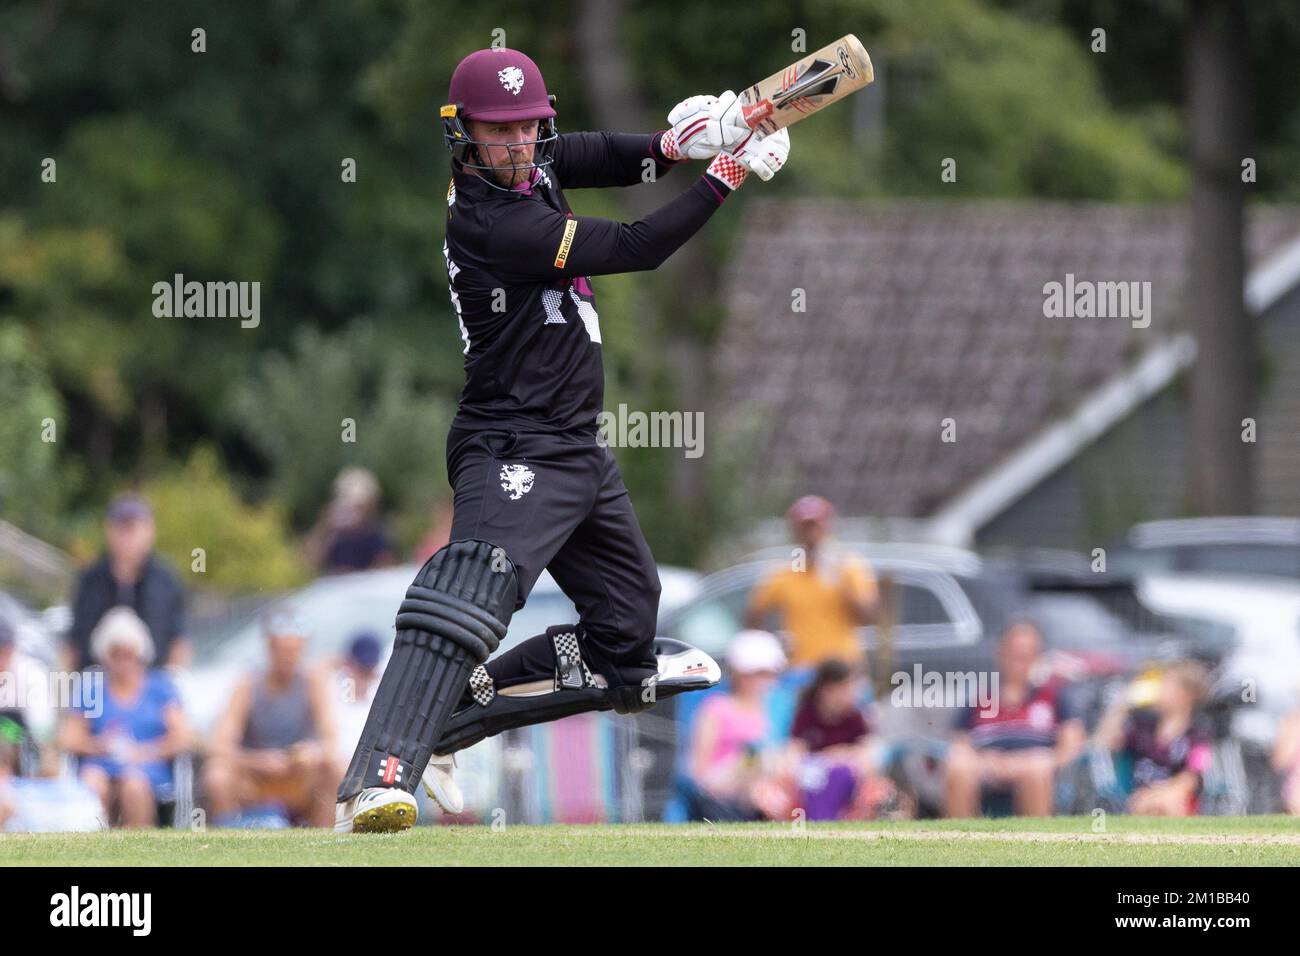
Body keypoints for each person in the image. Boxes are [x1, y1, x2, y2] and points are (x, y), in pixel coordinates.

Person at [334, 46, 779, 831]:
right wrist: (726, 175)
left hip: (576, 449)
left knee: (623, 641)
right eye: (494, 131)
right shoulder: (492, 219)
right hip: (511, 441)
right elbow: (638, 247)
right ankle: (378, 776)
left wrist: (678, 144)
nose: (513, 145)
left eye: (525, 128)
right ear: (462, 134)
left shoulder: (534, 165)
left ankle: (450, 724)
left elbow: (600, 153)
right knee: (472, 593)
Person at [58, 607, 191, 827]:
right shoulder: (92, 687)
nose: (123, 662)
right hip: (101, 762)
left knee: (133, 783)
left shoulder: (161, 686)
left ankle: (136, 848)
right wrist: (101, 746)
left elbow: (182, 737)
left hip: (148, 765)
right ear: (104, 655)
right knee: (92, 781)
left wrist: (146, 752)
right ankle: (90, 848)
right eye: (115, 654)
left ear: (140, 654)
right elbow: (69, 738)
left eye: (129, 654)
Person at [204, 609, 339, 827]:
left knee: (336, 767)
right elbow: (220, 745)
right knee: (217, 775)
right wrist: (258, 761)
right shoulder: (248, 685)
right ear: (270, 649)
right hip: (255, 777)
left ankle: (323, 838)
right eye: (282, 650)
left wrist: (313, 752)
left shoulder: (313, 683)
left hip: (299, 774)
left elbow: (331, 739)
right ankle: (228, 839)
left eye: (293, 651)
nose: (288, 657)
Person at [944, 622, 1085, 818]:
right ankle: (960, 841)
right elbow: (960, 743)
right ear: (1000, 654)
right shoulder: (980, 698)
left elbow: (1071, 747)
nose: (1020, 661)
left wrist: (1029, 762)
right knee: (958, 767)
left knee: (1037, 769)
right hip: (985, 769)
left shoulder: (1055, 697)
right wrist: (988, 763)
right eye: (1015, 654)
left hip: (1037, 768)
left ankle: (1036, 842)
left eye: (1027, 655)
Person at [745, 495, 879, 671]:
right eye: (804, 529)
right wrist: (772, 645)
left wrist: (838, 580)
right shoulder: (786, 572)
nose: (810, 535)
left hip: (842, 667)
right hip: (801, 668)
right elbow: (754, 615)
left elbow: (869, 616)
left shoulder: (848, 567)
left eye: (815, 528)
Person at [66, 494, 188, 671]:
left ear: (149, 531)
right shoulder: (90, 579)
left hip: (151, 683)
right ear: (108, 531)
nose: (126, 538)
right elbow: (73, 641)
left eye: (132, 529)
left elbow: (179, 640)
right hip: (98, 683)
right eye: (120, 529)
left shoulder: (166, 580)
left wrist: (169, 684)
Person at [683, 630, 786, 821]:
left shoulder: (778, 706)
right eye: (756, 674)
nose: (763, 682)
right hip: (723, 789)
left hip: (763, 786)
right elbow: (700, 770)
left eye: (767, 674)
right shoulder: (716, 709)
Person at [1096, 660, 1213, 816]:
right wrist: (1122, 705)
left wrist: (1162, 793)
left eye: (1166, 685)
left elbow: (1193, 775)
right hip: (1137, 797)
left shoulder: (1197, 737)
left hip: (1175, 798)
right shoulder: (1143, 728)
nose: (1159, 690)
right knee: (1145, 804)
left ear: (1186, 695)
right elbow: (1104, 743)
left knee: (1169, 802)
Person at [303, 468, 395, 573]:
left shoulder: (377, 535)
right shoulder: (333, 535)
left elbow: (386, 569)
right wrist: (324, 527)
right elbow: (307, 564)